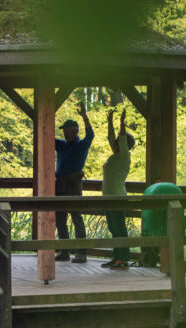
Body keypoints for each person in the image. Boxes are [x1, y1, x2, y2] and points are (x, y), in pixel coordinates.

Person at [55, 101, 94, 263]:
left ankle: (81, 252)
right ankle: (65, 251)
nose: (65, 134)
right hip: (60, 184)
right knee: (60, 218)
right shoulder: (62, 145)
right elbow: (45, 136)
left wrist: (84, 116)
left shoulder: (81, 146)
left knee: (76, 217)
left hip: (74, 184)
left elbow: (91, 134)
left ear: (75, 131)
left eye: (67, 131)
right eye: (63, 131)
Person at [101, 108, 135, 270]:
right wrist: (109, 121)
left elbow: (121, 137)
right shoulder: (114, 156)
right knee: (113, 228)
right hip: (108, 197)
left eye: (118, 141)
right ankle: (116, 257)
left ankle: (124, 259)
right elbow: (111, 137)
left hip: (117, 197)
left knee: (119, 228)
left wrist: (121, 123)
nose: (114, 142)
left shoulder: (124, 156)